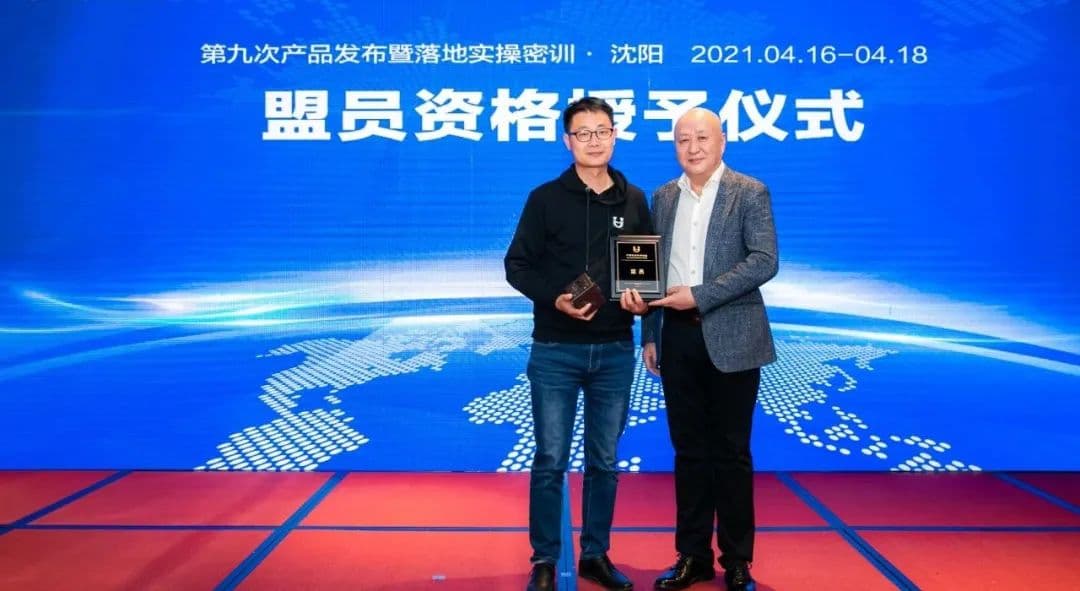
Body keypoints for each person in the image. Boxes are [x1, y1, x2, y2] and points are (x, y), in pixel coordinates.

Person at [620, 107, 778, 591]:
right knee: (688, 452)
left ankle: (737, 560)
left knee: (732, 453)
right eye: (682, 139)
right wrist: (650, 334)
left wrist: (701, 295)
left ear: (722, 141)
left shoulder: (749, 191)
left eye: (702, 138)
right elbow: (651, 272)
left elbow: (764, 260)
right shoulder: (664, 196)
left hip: (733, 336)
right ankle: (692, 556)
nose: (692, 147)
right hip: (677, 337)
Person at [505, 96, 653, 591]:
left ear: (615, 135)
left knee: (604, 461)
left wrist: (642, 304)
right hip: (556, 350)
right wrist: (556, 299)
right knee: (550, 459)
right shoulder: (544, 199)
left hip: (615, 350)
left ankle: (595, 554)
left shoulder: (635, 200)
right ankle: (545, 559)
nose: (594, 140)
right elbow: (517, 266)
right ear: (567, 141)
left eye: (602, 131)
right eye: (583, 133)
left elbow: (645, 272)